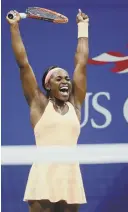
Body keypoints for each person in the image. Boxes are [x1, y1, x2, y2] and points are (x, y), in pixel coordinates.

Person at [6, 9, 89, 212]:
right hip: (43, 174)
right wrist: (14, 27)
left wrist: (83, 27)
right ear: (48, 85)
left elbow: (81, 63)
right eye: (58, 78)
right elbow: (23, 64)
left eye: (67, 79)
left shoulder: (75, 104)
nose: (65, 82)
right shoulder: (39, 104)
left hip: (70, 175)